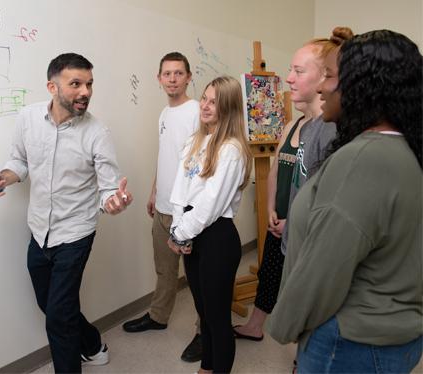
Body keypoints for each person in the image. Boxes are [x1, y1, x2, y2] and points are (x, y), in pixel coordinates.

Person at [269, 29, 422, 373]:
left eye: (331, 76)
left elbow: (323, 270)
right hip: (391, 332)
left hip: (352, 343)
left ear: (363, 86)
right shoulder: (402, 148)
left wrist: (285, 324)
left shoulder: (363, 160)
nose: (323, 87)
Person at [0, 53, 133, 373]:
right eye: (75, 84)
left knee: (59, 318)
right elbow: (19, 162)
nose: (85, 92)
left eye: (89, 84)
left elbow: (108, 188)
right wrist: (5, 178)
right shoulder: (27, 118)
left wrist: (113, 202)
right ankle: (93, 345)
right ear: (52, 86)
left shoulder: (97, 132)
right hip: (39, 228)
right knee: (49, 304)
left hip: (76, 231)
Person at [234, 30, 346, 341]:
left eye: (298, 71)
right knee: (269, 275)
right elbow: (273, 173)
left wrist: (295, 221)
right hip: (279, 223)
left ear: (325, 76)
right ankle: (256, 326)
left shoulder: (332, 129)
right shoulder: (292, 125)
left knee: (304, 291)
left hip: (305, 230)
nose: (289, 79)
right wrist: (270, 210)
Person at [168, 76, 253, 373]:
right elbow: (180, 190)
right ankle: (207, 367)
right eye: (204, 98)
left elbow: (210, 206)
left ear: (228, 108)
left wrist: (180, 233)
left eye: (213, 101)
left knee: (218, 319)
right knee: (203, 313)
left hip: (216, 237)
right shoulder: (195, 140)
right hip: (191, 233)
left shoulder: (231, 150)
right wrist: (178, 229)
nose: (204, 105)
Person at [122, 52, 202, 362]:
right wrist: (155, 191)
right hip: (165, 205)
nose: (172, 79)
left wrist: (194, 209)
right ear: (159, 79)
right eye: (166, 74)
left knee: (197, 277)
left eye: (178, 73)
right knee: (164, 268)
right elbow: (166, 156)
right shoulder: (164, 114)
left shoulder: (196, 111)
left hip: (189, 210)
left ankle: (202, 330)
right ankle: (158, 316)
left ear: (188, 77)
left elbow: (203, 160)